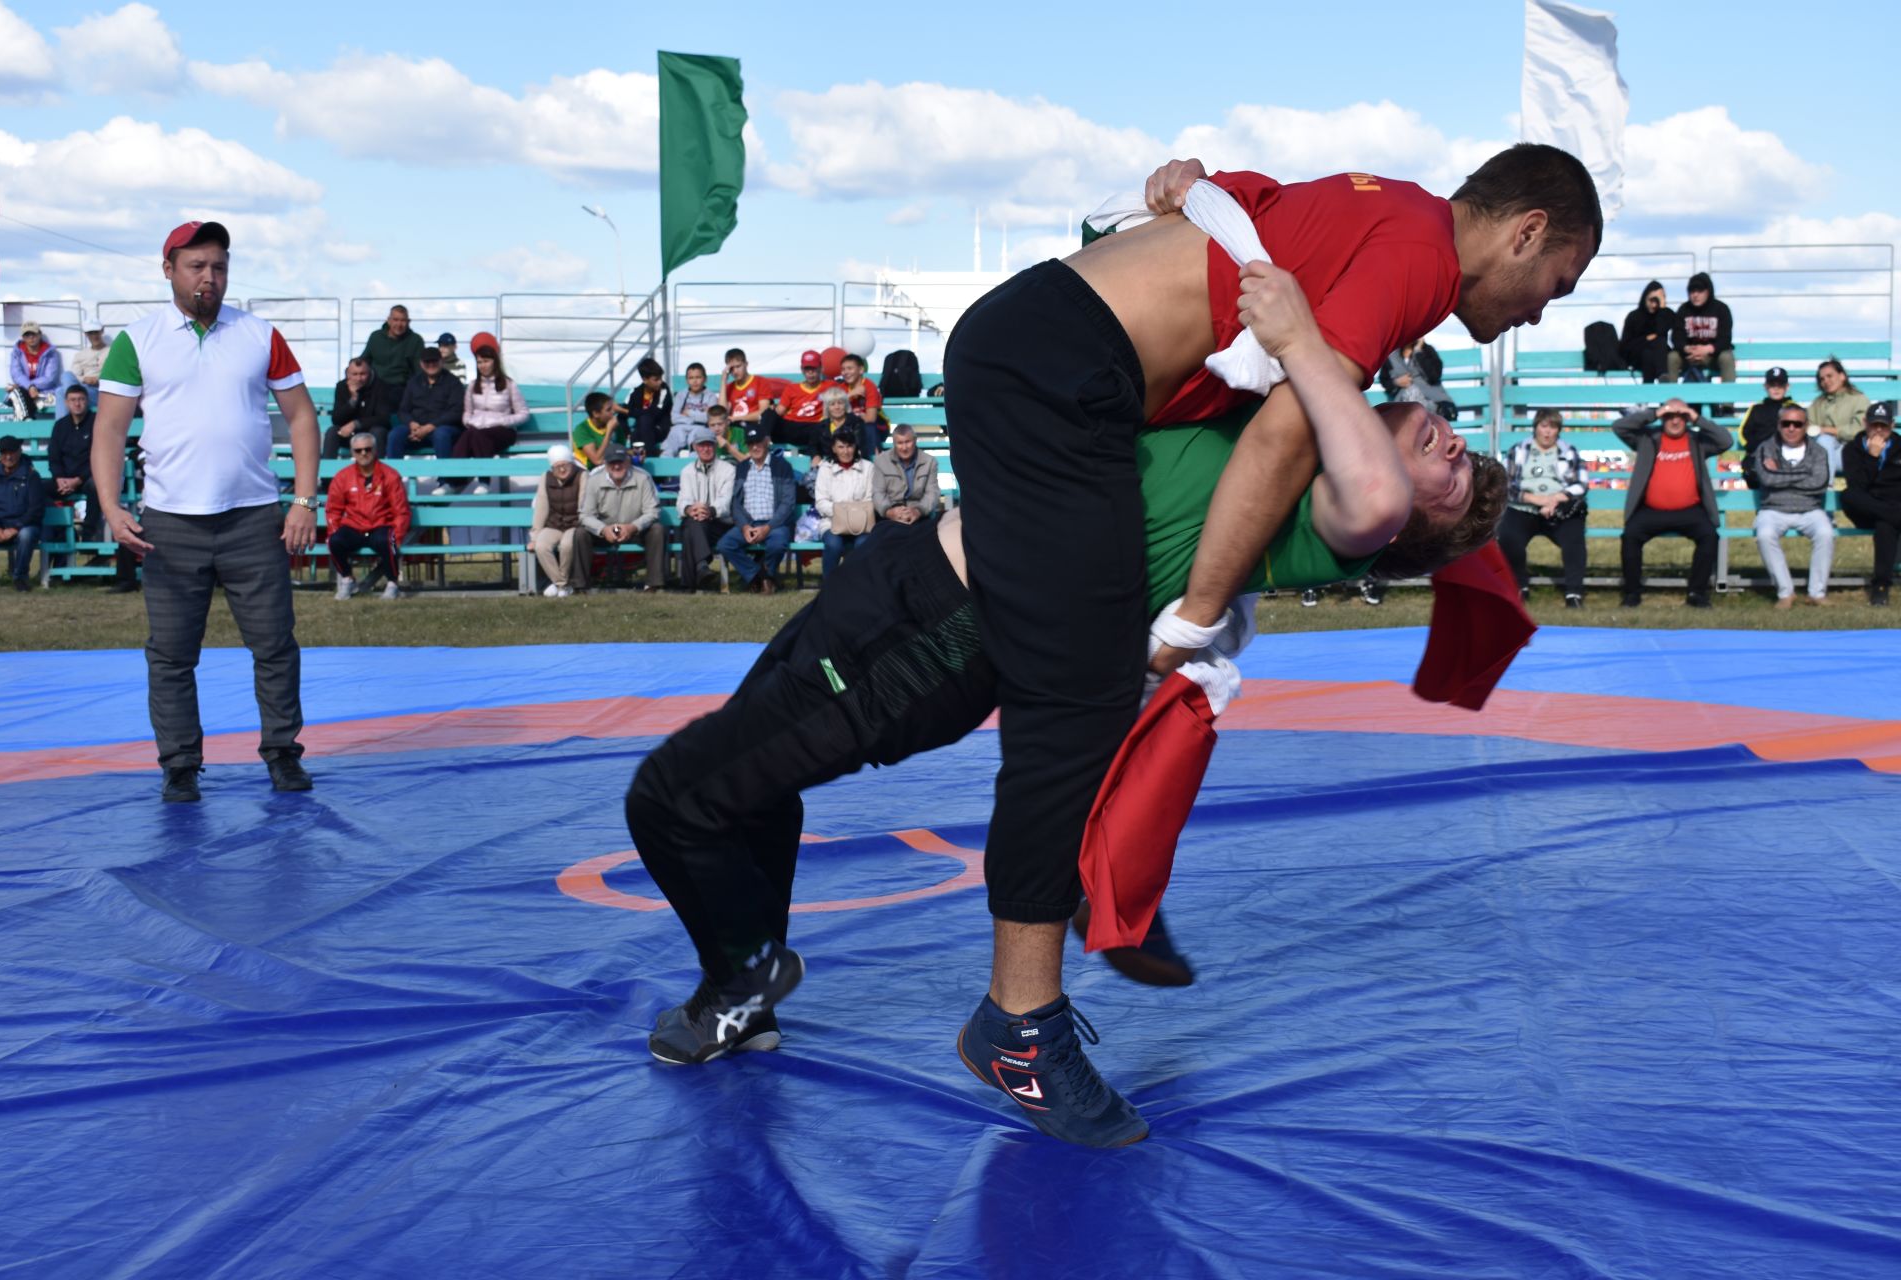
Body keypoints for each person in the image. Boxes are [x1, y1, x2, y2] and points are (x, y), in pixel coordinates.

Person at [627, 271, 1507, 1145]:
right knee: (751, 788)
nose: (1457, 451)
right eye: (1462, 450)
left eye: (1455, 483)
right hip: (903, 579)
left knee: (674, 800)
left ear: (1400, 533)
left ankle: (740, 984)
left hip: (932, 638)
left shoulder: (1336, 517)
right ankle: (743, 991)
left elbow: (1368, 477)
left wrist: (1314, 338)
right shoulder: (1280, 420)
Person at [936, 143, 1596, 1146]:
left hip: (1048, 356)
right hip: (1048, 364)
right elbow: (1295, 430)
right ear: (1526, 231)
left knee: (1088, 702)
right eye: (1557, 283)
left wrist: (1188, 192)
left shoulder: (1388, 218)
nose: (1546, 310)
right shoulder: (1419, 257)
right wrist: (1197, 616)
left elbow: (1250, 221)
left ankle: (1089, 892)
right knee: (1069, 710)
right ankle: (1026, 1006)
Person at [90, 220, 321, 803]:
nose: (209, 277)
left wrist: (302, 500)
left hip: (252, 516)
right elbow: (110, 430)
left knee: (274, 644)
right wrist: (112, 508)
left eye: (218, 266)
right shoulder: (136, 340)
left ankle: (282, 754)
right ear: (168, 269)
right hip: (169, 522)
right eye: (196, 266)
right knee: (170, 654)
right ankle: (180, 765)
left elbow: (301, 417)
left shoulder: (259, 333)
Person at [1612, 397, 1731, 608]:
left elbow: (1725, 441)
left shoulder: (1696, 440)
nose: (1675, 422)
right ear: (1662, 418)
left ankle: (1697, 593)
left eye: (1681, 417)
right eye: (1669, 417)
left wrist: (1696, 418)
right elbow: (1619, 427)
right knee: (1630, 536)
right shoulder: (1648, 438)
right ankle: (1632, 593)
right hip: (1651, 510)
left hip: (1690, 510)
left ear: (1687, 419)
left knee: (1709, 537)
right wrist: (1655, 413)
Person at [1498, 409, 1589, 606]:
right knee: (1508, 537)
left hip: (1558, 509)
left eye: (1553, 427)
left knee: (1574, 540)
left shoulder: (1569, 451)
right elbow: (1505, 484)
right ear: (1536, 427)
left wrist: (1555, 499)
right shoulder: (1519, 450)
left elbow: (1581, 484)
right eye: (1544, 426)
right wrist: (1535, 499)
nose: (1548, 432)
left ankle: (1574, 593)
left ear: (1558, 430)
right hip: (1523, 508)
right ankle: (1519, 587)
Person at [1750, 402, 1834, 608]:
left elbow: (1820, 483)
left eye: (1797, 424)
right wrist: (1803, 474)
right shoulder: (1765, 448)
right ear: (1778, 425)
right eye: (1786, 423)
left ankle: (1817, 593)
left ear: (1805, 426)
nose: (1791, 428)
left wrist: (1780, 473)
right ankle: (1785, 592)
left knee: (1825, 533)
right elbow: (1766, 479)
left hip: (1810, 510)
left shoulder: (1819, 451)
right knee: (1764, 535)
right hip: (1773, 509)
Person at [325, 432, 410, 601]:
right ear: (352, 453)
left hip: (381, 525)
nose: (363, 453)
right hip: (354, 526)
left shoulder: (390, 475)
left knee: (390, 542)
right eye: (358, 450)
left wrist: (397, 535)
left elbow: (401, 511)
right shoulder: (343, 477)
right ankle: (348, 579)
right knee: (333, 541)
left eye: (367, 449)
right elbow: (333, 509)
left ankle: (393, 583)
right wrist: (334, 530)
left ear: (375, 450)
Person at [716, 427, 795, 594]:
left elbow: (788, 503)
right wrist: (744, 527)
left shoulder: (782, 466)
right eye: (751, 444)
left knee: (778, 544)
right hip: (749, 524)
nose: (755, 448)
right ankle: (760, 576)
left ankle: (765, 576)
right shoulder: (742, 467)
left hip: (774, 524)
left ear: (766, 442)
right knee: (725, 545)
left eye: (758, 443)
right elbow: (736, 503)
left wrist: (768, 527)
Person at [579, 448, 666, 592]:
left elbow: (653, 511)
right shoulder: (594, 480)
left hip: (635, 529)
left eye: (620, 461)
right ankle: (580, 586)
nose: (617, 466)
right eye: (612, 462)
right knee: (580, 534)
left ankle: (653, 584)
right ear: (606, 464)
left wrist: (633, 527)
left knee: (657, 530)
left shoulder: (643, 478)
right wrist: (602, 529)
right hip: (606, 530)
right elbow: (585, 515)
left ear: (628, 462)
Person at [1840, 401, 1900, 606]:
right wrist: (1872, 457)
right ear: (1865, 424)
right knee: (1848, 495)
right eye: (1874, 425)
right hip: (1866, 508)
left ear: (1892, 425)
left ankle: (1881, 586)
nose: (1879, 430)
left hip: (1891, 508)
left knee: (1885, 525)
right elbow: (1858, 485)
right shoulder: (1852, 449)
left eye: (1883, 425)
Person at [451, 335, 529, 490]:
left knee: (477, 436)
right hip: (479, 429)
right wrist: (468, 421)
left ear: (495, 362)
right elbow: (467, 412)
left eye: (486, 361)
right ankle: (453, 481)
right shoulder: (473, 386)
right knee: (469, 435)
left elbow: (524, 413)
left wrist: (505, 421)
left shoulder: (508, 384)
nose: (482, 366)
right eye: (479, 362)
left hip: (503, 430)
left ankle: (482, 481)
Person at [0, 435, 45, 592]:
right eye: (4, 453)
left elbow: (36, 509)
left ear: (20, 452)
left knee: (26, 535)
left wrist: (15, 528)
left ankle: (20, 578)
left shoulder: (32, 476)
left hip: (24, 526)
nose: (8, 456)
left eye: (12, 452)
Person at [675, 432, 735, 591]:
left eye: (709, 444)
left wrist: (710, 511)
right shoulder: (687, 471)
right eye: (701, 445)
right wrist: (689, 509)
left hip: (720, 524)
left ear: (715, 446)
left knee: (691, 529)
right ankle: (701, 568)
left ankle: (689, 583)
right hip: (697, 520)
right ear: (695, 447)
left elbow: (726, 499)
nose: (706, 449)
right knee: (693, 524)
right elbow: (683, 499)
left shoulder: (728, 469)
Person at [389, 346, 465, 468]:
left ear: (442, 361)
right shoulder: (413, 382)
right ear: (421, 364)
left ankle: (446, 481)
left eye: (434, 361)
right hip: (416, 428)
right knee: (395, 434)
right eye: (427, 362)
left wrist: (431, 426)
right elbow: (403, 410)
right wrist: (411, 424)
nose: (431, 364)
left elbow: (456, 411)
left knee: (441, 435)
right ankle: (392, 481)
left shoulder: (453, 382)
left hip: (442, 428)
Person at [813, 425, 875, 575]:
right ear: (834, 448)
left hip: (862, 524)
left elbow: (869, 499)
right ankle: (829, 587)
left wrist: (850, 513)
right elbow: (821, 502)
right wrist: (843, 513)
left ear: (855, 447)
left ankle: (859, 586)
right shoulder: (825, 469)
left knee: (863, 544)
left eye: (849, 446)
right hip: (832, 523)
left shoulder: (868, 467)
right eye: (841, 447)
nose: (846, 451)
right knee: (833, 544)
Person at [530, 444, 588, 598]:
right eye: (557, 467)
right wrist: (535, 536)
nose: (562, 470)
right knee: (541, 546)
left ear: (571, 463)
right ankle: (562, 584)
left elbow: (584, 505)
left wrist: (579, 524)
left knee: (567, 545)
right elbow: (541, 507)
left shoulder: (582, 476)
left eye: (565, 465)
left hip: (575, 523)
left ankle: (559, 586)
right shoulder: (545, 477)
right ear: (552, 468)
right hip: (554, 524)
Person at [46, 386, 101, 542]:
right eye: (73, 400)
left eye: (81, 399)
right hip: (63, 480)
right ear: (66, 403)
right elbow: (54, 456)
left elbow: (98, 457)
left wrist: (78, 480)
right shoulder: (60, 426)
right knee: (36, 488)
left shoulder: (97, 423)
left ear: (87, 401)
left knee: (96, 486)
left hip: (86, 478)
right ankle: (59, 530)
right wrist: (59, 478)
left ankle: (88, 534)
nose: (77, 404)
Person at [1667, 272, 1735, 384]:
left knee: (1727, 357)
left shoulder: (1721, 309)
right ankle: (1671, 399)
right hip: (1688, 355)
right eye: (1692, 291)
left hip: (1713, 356)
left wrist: (1707, 349)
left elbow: (1725, 339)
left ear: (1708, 291)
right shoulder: (1684, 310)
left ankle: (1727, 401)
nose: (1695, 295)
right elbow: (1676, 337)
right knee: (1672, 357)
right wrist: (1687, 349)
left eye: (1700, 291)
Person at [324, 357, 392, 460]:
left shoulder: (381, 387)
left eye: (362, 374)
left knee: (379, 431)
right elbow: (336, 419)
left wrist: (355, 424)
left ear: (369, 372)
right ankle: (327, 474)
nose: (359, 378)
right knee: (332, 432)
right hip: (348, 434)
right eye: (355, 374)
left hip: (371, 433)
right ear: (348, 374)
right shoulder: (342, 387)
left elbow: (383, 418)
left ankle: (378, 473)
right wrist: (353, 399)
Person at [1808, 357, 1868, 475]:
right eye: (1822, 379)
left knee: (1824, 441)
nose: (1826, 381)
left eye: (1830, 376)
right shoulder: (1817, 403)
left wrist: (1827, 430)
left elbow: (1858, 430)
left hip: (1851, 451)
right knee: (1823, 443)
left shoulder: (1859, 399)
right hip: (1824, 453)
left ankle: (1824, 487)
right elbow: (1809, 426)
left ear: (1842, 376)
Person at [359, 306, 424, 412]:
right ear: (388, 321)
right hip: (376, 388)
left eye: (403, 320)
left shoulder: (416, 340)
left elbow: (419, 371)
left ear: (408, 322)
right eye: (395, 320)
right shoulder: (376, 337)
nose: (399, 324)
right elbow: (364, 361)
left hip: (402, 389)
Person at [873, 424, 939, 524]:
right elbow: (878, 493)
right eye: (899, 443)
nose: (904, 448)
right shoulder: (881, 461)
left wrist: (917, 511)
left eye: (908, 442)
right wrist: (890, 512)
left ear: (915, 440)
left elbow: (932, 493)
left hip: (920, 515)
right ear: (894, 443)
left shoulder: (929, 462)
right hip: (891, 515)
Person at [1378, 338, 1456, 420]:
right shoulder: (1391, 355)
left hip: (1433, 403)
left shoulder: (1427, 351)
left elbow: (1434, 376)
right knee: (1410, 393)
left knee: (1412, 393)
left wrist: (1418, 352)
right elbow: (1384, 381)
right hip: (1403, 404)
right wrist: (1396, 382)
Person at [1738, 367, 1796, 468]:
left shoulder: (1795, 409)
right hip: (1759, 455)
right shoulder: (1756, 409)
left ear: (1787, 386)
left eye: (1780, 385)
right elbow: (1743, 433)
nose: (1776, 388)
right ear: (1765, 386)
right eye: (1772, 385)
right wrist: (1755, 447)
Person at [774, 350, 831, 451]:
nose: (810, 372)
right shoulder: (792, 388)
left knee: (823, 429)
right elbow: (779, 411)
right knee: (768, 415)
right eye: (807, 368)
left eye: (813, 368)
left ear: (821, 368)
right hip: (792, 427)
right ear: (802, 369)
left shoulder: (829, 386)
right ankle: (759, 444)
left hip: (814, 428)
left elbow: (844, 396)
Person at [1618, 281, 1673, 384]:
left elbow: (1662, 330)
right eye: (1651, 300)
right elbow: (1625, 346)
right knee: (1650, 350)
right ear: (1645, 298)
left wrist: (1662, 308)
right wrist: (1646, 339)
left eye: (1657, 301)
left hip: (1658, 357)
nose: (1654, 304)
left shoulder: (1665, 314)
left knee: (1654, 347)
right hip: (1636, 356)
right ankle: (1662, 377)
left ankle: (1646, 394)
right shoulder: (1634, 316)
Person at [8, 319, 63, 416]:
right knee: (17, 396)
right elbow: (16, 374)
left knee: (18, 396)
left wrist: (29, 386)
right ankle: (27, 422)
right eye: (27, 335)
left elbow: (50, 378)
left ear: (40, 334)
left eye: (34, 334)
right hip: (25, 391)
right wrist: (29, 387)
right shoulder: (17, 352)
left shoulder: (50, 352)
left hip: (45, 392)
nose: (31, 337)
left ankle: (26, 424)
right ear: (23, 337)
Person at [625, 357, 673, 456]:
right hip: (642, 429)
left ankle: (649, 454)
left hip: (660, 429)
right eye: (656, 379)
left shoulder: (664, 389)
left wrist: (630, 412)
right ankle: (637, 460)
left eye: (660, 378)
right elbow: (623, 412)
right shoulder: (636, 392)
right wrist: (627, 432)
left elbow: (655, 412)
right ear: (645, 380)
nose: (660, 382)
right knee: (635, 434)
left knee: (645, 419)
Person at [838, 353, 884, 455]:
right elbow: (835, 414)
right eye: (843, 369)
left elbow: (870, 418)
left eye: (850, 368)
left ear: (861, 370)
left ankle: (873, 461)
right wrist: (849, 395)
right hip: (853, 426)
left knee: (867, 427)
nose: (846, 372)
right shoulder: (842, 388)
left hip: (877, 427)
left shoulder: (869, 386)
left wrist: (850, 415)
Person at [720, 347, 777, 429]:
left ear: (746, 364)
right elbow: (722, 414)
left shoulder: (761, 382)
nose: (735, 371)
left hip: (754, 427)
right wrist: (723, 381)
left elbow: (764, 414)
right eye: (731, 369)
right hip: (734, 428)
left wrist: (737, 418)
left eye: (738, 366)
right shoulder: (729, 387)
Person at [667, 362, 717, 454]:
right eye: (691, 378)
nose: (694, 381)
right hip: (681, 427)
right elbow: (674, 418)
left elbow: (710, 418)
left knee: (697, 440)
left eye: (698, 377)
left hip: (701, 427)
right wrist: (696, 418)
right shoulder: (681, 395)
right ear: (686, 380)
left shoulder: (711, 396)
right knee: (673, 436)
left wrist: (689, 413)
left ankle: (694, 459)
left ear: (705, 379)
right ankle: (666, 458)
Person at [573, 392, 621, 470]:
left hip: (611, 468)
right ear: (596, 414)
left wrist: (634, 454)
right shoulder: (582, 430)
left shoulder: (614, 425)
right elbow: (597, 461)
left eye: (613, 408)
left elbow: (621, 450)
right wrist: (609, 432)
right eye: (609, 410)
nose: (613, 412)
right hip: (589, 472)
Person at [71, 324, 109, 408]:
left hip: (101, 389)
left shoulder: (112, 352)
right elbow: (74, 375)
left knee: (62, 392)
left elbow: (115, 374)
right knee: (66, 376)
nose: (94, 336)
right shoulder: (80, 354)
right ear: (86, 334)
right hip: (83, 386)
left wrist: (98, 379)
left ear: (102, 331)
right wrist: (84, 379)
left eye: (96, 332)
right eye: (90, 333)